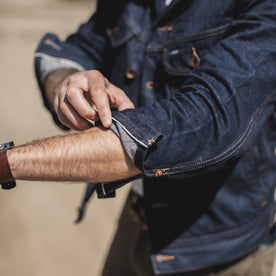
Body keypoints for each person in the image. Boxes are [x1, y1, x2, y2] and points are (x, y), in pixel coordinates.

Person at [1, 0, 276, 275]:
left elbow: (199, 125)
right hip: (136, 221)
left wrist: (7, 163)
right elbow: (80, 47)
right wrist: (67, 83)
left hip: (219, 249)